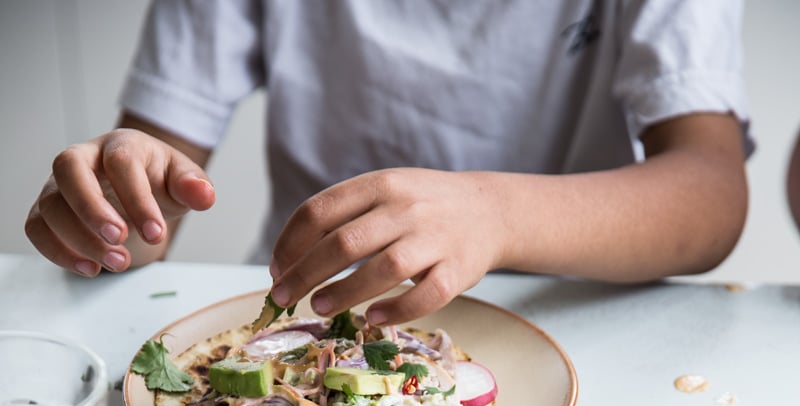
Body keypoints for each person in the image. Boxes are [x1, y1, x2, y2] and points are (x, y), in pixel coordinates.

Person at [25, 0, 751, 327]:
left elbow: (712, 194)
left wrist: (494, 215)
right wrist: (110, 212)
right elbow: (144, 225)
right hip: (301, 317)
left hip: (573, 322)